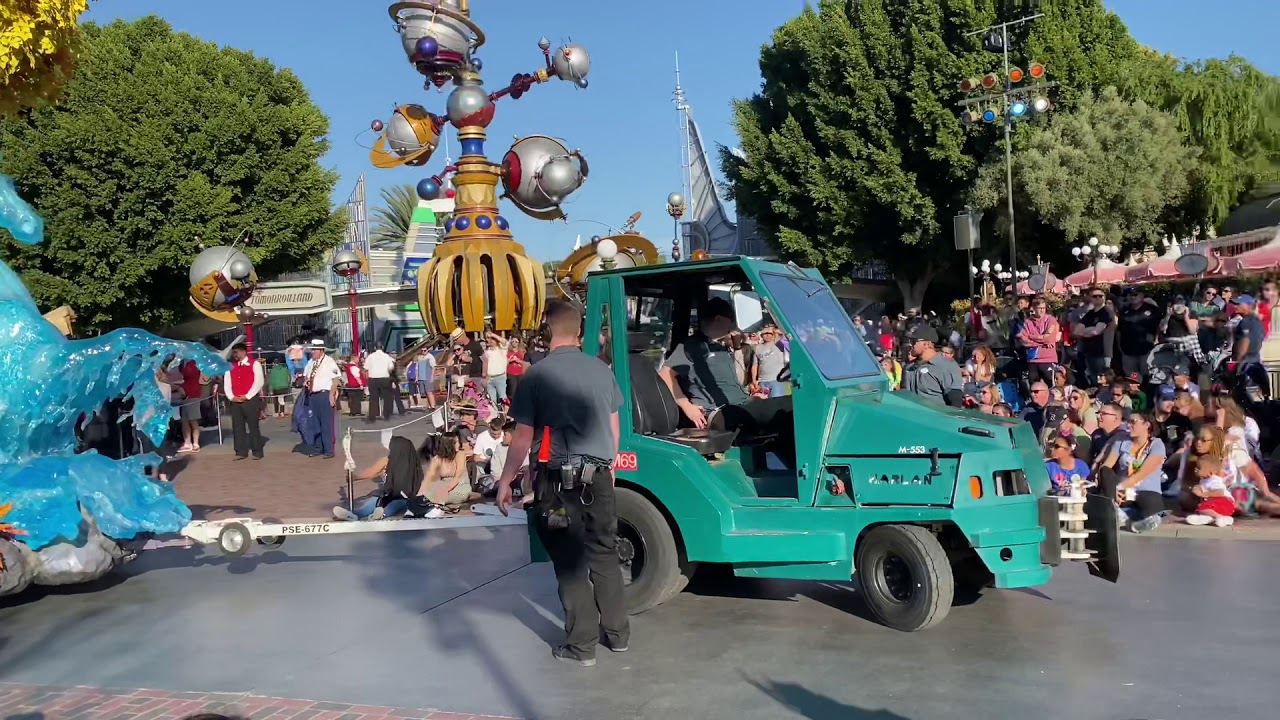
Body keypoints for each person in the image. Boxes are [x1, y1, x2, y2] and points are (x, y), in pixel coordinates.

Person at [496, 298, 628, 667]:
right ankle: (618, 635)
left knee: (569, 562)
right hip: (599, 478)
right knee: (604, 552)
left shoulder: (537, 375)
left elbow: (523, 437)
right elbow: (613, 430)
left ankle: (581, 645)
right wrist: (609, 471)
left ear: (547, 330)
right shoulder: (602, 370)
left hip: (557, 486)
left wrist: (506, 481)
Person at [1097, 412, 1167, 533]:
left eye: (1133, 422)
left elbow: (1142, 473)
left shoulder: (1157, 444)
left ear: (1146, 425)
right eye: (1127, 421)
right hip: (1121, 493)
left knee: (1151, 507)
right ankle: (1115, 510)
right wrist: (1114, 490)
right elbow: (1107, 465)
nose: (1128, 425)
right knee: (1104, 471)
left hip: (1144, 490)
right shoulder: (1121, 441)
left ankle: (1131, 521)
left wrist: (1120, 487)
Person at [333, 435, 420, 521]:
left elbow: (370, 473)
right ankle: (375, 515)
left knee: (379, 503)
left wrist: (355, 477)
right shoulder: (413, 463)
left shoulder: (388, 460)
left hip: (390, 497)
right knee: (387, 503)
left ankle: (356, 515)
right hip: (404, 498)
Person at [899, 324, 964, 407]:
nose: (910, 345)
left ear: (927, 344)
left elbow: (955, 402)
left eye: (914, 341)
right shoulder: (908, 368)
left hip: (936, 418)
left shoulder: (946, 366)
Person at [222, 343, 265, 461]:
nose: (235, 355)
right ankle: (240, 451)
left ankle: (257, 451)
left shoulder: (254, 364)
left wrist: (248, 396)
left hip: (250, 400)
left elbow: (259, 381)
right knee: (237, 426)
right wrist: (231, 397)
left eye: (236, 352)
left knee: (253, 426)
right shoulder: (230, 366)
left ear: (243, 352)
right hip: (236, 400)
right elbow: (227, 383)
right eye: (234, 352)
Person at [301, 339, 341, 458]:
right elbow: (306, 375)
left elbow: (335, 380)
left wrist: (331, 395)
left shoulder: (329, 362)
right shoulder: (311, 362)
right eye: (312, 349)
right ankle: (318, 447)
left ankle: (329, 449)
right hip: (313, 395)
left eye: (315, 350)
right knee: (315, 423)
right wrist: (306, 382)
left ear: (321, 350)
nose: (313, 352)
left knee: (326, 423)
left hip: (324, 394)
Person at [1072, 287, 1113, 387]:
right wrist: (1089, 330)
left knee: (1103, 379)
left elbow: (1096, 331)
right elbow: (1076, 331)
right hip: (1089, 351)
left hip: (1102, 352)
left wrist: (1086, 330)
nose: (1098, 298)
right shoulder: (1090, 314)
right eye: (1095, 296)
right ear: (1090, 298)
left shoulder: (1106, 312)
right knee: (1092, 378)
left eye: (1101, 296)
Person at [1183, 455, 1235, 527]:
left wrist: (1204, 494)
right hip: (1216, 505)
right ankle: (1208, 519)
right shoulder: (1203, 480)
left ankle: (1219, 517)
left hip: (1225, 502)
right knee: (1202, 508)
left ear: (1210, 473)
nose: (1195, 469)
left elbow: (1220, 492)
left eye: (1199, 468)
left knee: (1202, 507)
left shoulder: (1214, 480)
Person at [1117, 287, 1159, 376]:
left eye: (1135, 294)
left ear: (1142, 295)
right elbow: (1119, 330)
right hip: (1128, 351)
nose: (1132, 297)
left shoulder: (1152, 309)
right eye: (1130, 295)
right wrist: (1119, 346)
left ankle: (1146, 390)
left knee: (1148, 375)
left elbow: (1160, 326)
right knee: (1133, 378)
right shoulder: (1124, 311)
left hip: (1147, 349)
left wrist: (1157, 339)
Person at [1019, 297, 1060, 385]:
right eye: (1039, 308)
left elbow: (1049, 338)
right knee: (1034, 386)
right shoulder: (1027, 322)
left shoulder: (1051, 320)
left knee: (1050, 385)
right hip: (1032, 359)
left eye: (1044, 308)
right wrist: (1042, 342)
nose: (1042, 311)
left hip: (1048, 359)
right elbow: (1024, 340)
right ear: (1033, 308)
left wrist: (1031, 337)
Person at [363, 343, 396, 422]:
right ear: (383, 347)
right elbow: (391, 368)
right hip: (384, 378)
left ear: (375, 347)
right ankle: (386, 415)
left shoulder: (370, 357)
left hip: (373, 378)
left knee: (373, 398)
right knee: (387, 397)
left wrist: (367, 379)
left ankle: (372, 416)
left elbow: (365, 369)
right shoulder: (387, 356)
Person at [482, 331, 510, 403]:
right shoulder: (485, 352)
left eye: (491, 339)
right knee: (491, 401)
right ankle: (495, 414)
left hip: (500, 377)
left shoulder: (502, 349)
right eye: (487, 338)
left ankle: (504, 414)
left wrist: (493, 334)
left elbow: (505, 342)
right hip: (489, 379)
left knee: (503, 399)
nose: (489, 340)